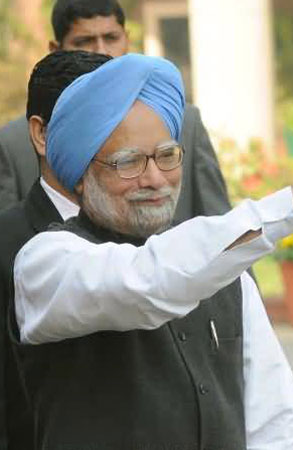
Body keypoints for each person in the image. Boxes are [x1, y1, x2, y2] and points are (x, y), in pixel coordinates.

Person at [9, 53, 293, 449]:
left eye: (166, 156)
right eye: (128, 162)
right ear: (82, 175)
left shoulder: (227, 272)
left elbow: (275, 425)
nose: (155, 179)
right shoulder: (46, 263)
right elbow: (149, 280)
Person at [0, 0, 231, 220]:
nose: (101, 51)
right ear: (55, 49)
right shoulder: (14, 144)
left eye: (111, 38)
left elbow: (221, 228)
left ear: (126, 40)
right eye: (84, 41)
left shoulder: (183, 121)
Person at [0, 50, 112, 450]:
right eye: (94, 124)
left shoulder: (149, 240)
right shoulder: (6, 245)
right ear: (41, 134)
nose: (115, 142)